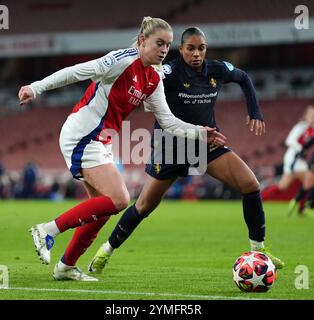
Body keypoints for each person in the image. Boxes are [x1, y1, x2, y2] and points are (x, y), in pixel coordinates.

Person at [18, 18, 226, 282]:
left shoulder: (153, 78)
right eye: (158, 43)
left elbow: (168, 121)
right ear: (142, 41)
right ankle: (47, 230)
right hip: (82, 134)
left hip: (100, 140)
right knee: (119, 199)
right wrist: (36, 88)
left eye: (168, 45)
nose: (164, 50)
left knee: (102, 208)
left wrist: (199, 131)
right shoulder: (121, 60)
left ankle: (66, 266)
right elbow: (76, 71)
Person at [83, 26, 285, 275]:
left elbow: (243, 77)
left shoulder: (216, 70)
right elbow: (142, 76)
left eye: (201, 48)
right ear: (181, 50)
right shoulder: (169, 71)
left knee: (251, 185)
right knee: (144, 206)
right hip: (171, 146)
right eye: (191, 48)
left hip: (205, 142)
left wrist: (254, 111)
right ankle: (106, 250)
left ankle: (259, 252)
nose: (197, 54)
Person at [261, 105, 314, 200]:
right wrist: (300, 148)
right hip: (293, 157)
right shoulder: (300, 127)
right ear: (306, 116)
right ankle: (300, 206)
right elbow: (289, 140)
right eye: (311, 115)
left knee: (283, 186)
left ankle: (259, 198)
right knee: (308, 182)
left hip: (300, 159)